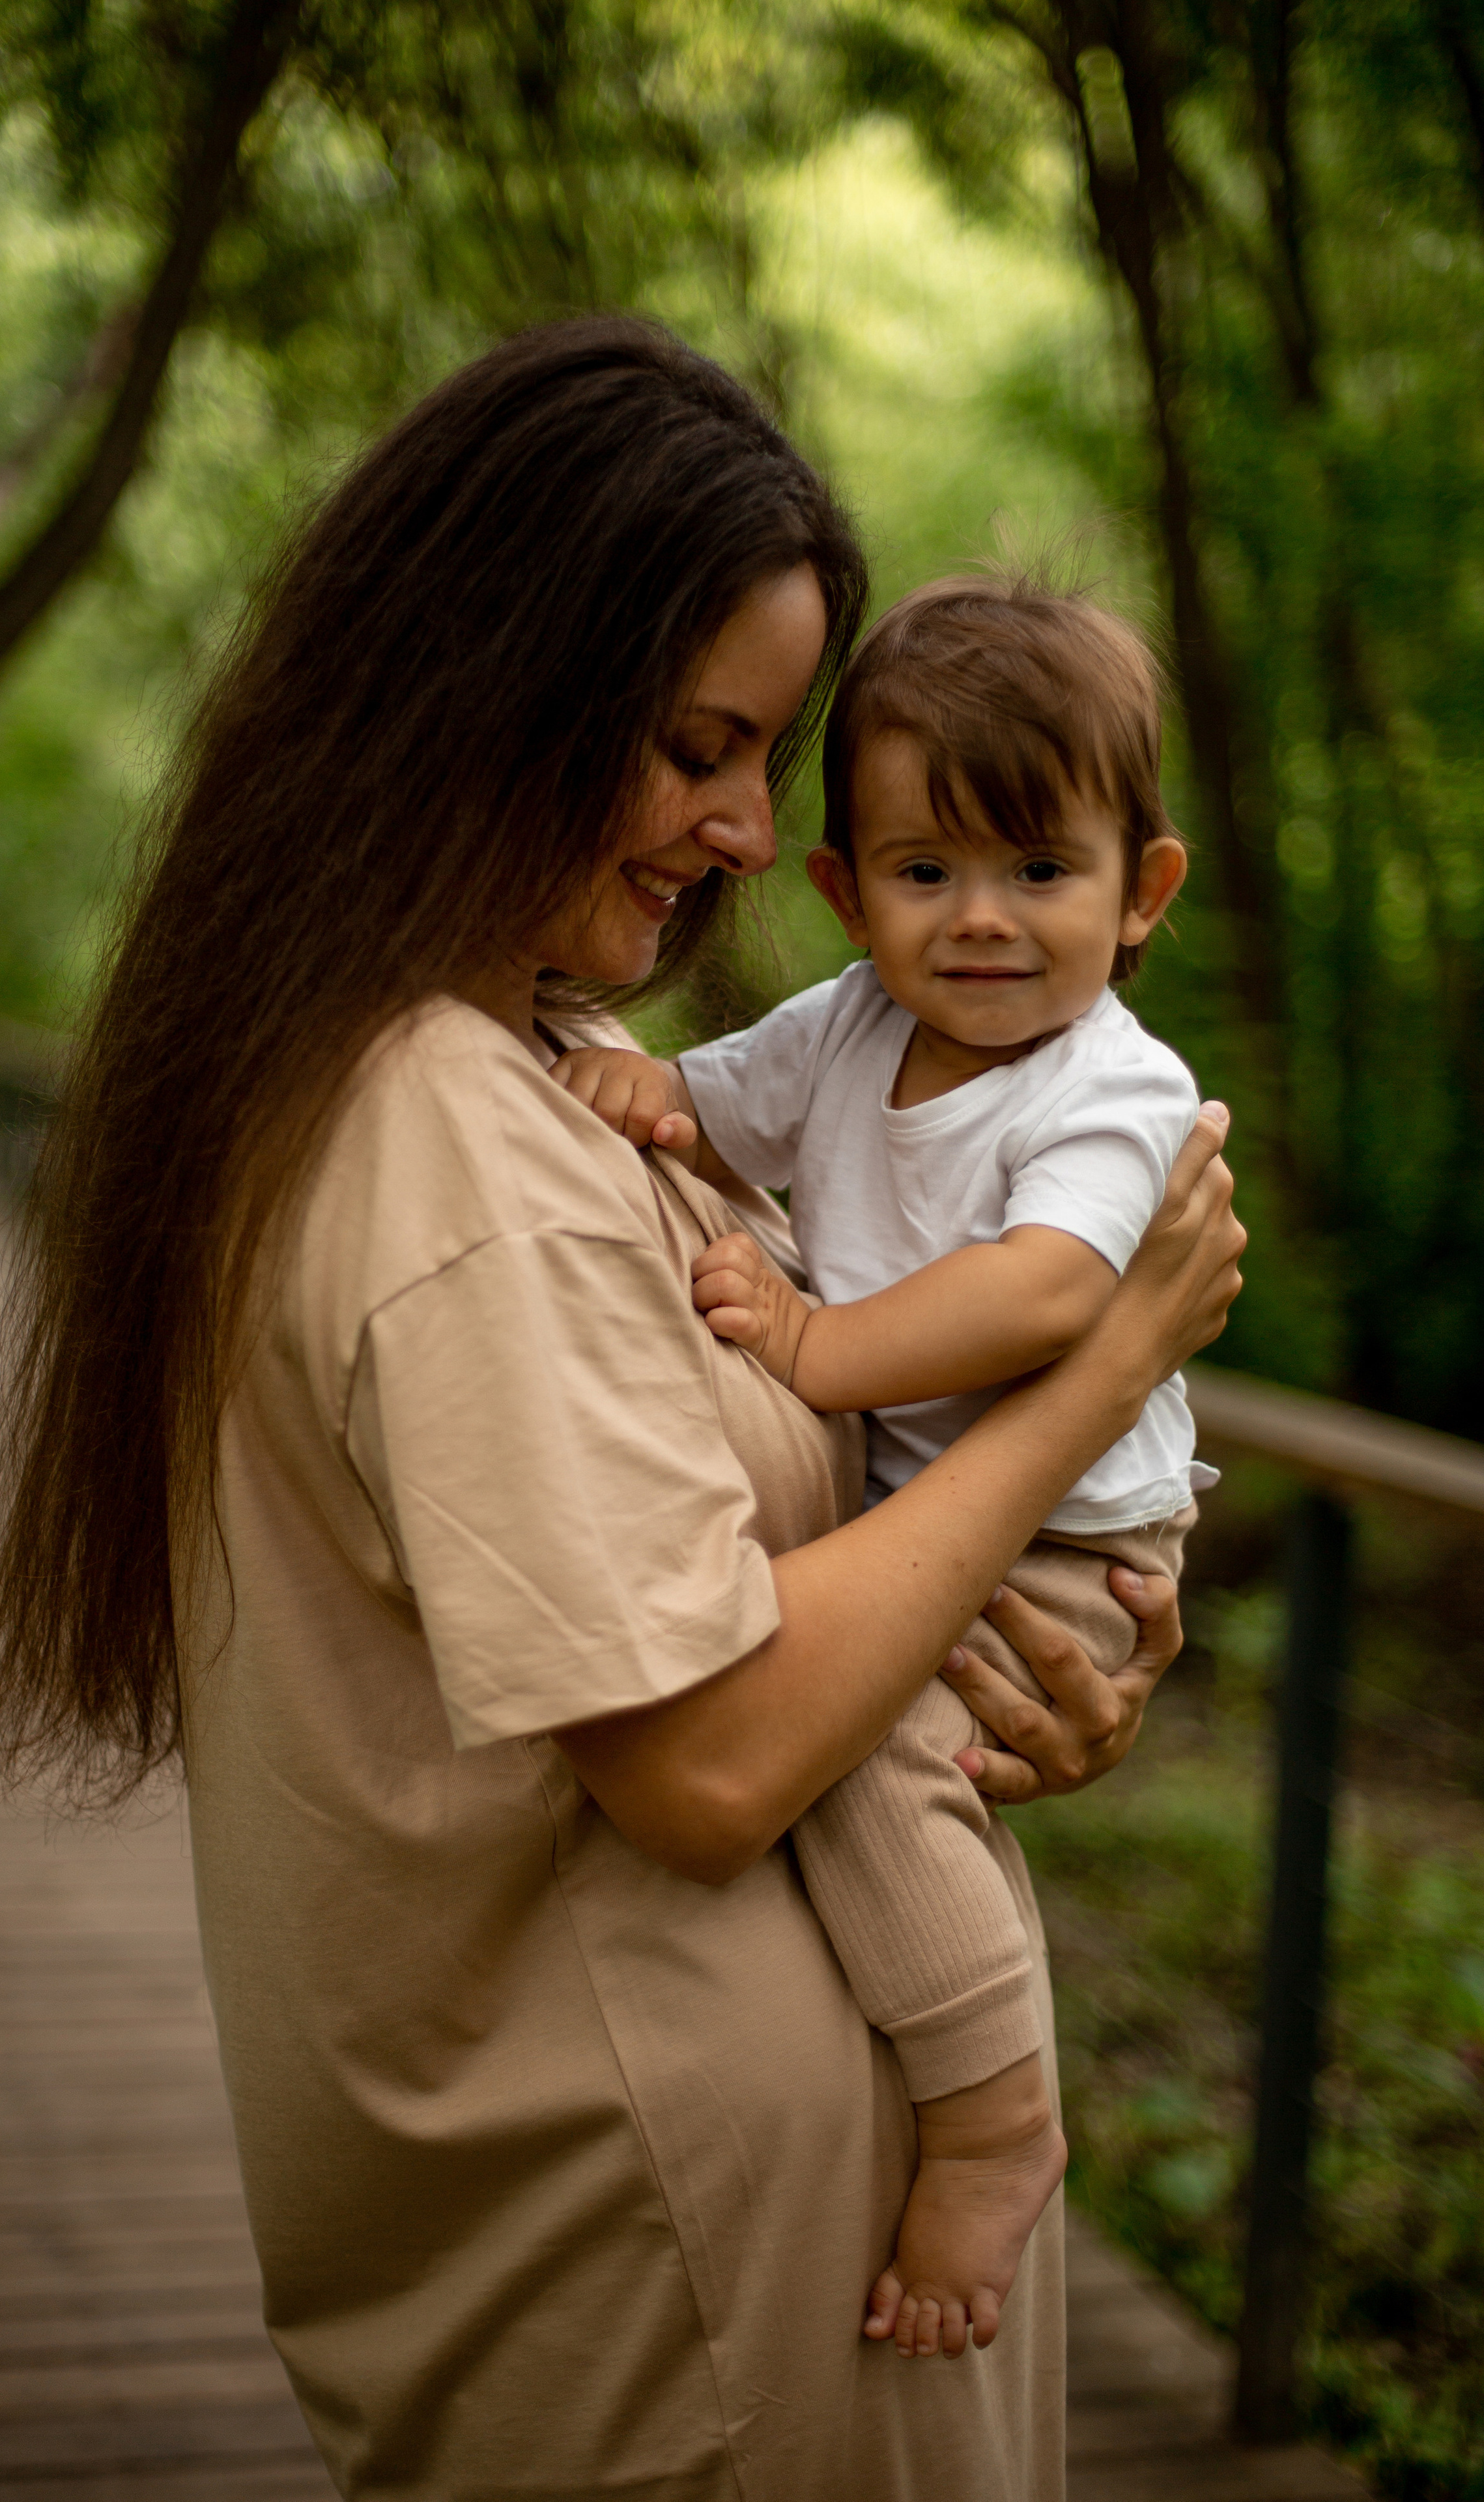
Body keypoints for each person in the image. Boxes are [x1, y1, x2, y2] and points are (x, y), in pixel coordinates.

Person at [0, 318, 1243, 2502]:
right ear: (488, 697)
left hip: (703, 2237)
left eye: (767, 756)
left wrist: (1012, 1648)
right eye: (693, 746)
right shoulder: (448, 1148)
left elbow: (746, 1587)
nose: (751, 830)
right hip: (702, 2296)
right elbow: (715, 1755)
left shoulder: (491, 1057)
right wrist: (1095, 1380)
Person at [549, 573, 1221, 2364]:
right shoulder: (848, 1025)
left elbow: (1058, 1288)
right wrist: (653, 1102)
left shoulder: (1109, 1085)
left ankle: (999, 2111)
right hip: (945, 1510)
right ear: (850, 893)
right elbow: (718, 1098)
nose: (984, 922)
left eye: (1041, 873)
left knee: (867, 1771)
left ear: (1141, 891)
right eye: (928, 875)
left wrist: (818, 1345)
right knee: (859, 1740)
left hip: (1074, 1531)